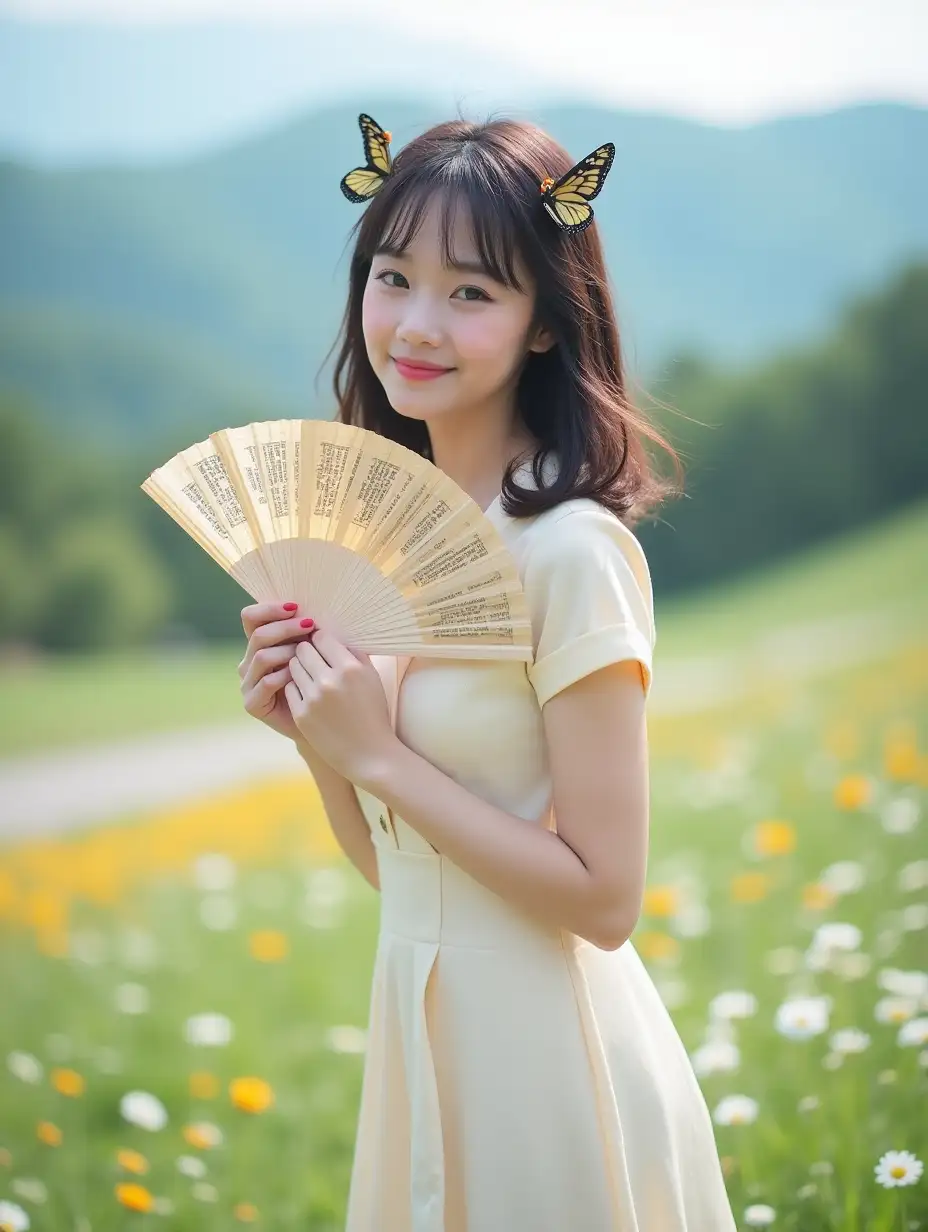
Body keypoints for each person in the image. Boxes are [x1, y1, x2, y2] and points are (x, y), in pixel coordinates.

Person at [238, 113, 738, 1231]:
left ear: (546, 325)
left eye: (471, 292)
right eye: (392, 276)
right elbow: (404, 874)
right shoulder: (402, 548)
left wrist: (374, 750)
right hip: (423, 1038)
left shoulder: (569, 550)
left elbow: (606, 898)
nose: (415, 323)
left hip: (546, 1064)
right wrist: (321, 744)